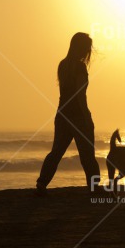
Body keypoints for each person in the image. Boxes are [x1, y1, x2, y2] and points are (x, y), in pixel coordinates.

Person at [36, 32, 100, 195]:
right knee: (87, 154)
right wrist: (86, 117)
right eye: (86, 48)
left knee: (56, 152)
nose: (88, 52)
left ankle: (42, 183)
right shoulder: (79, 67)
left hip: (62, 114)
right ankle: (94, 187)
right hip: (77, 115)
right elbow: (80, 95)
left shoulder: (63, 65)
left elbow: (65, 91)